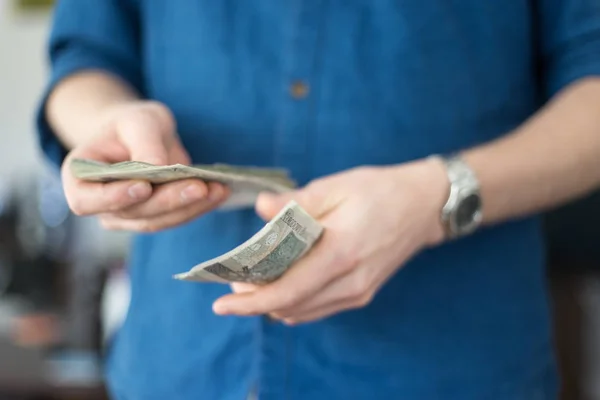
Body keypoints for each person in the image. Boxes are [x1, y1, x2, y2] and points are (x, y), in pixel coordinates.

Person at [37, 1, 600, 399]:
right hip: (179, 365)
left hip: (451, 365)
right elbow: (86, 58)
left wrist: (438, 196)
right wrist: (108, 122)